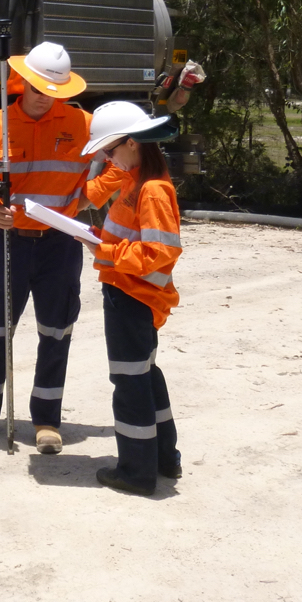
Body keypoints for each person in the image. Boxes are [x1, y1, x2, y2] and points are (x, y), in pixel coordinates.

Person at [0, 41, 95, 454]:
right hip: (11, 244)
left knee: (56, 332)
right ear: (23, 82)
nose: (44, 97)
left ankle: (47, 419)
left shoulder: (82, 125)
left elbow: (112, 169)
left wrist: (86, 200)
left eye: (53, 91)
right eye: (37, 88)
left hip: (60, 246)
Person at [78, 100, 184, 495]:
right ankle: (162, 460)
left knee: (129, 384)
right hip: (129, 293)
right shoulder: (134, 180)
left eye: (111, 149)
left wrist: (102, 251)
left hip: (134, 298)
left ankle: (136, 472)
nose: (108, 156)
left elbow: (159, 254)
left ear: (134, 144)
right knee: (145, 377)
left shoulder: (152, 190)